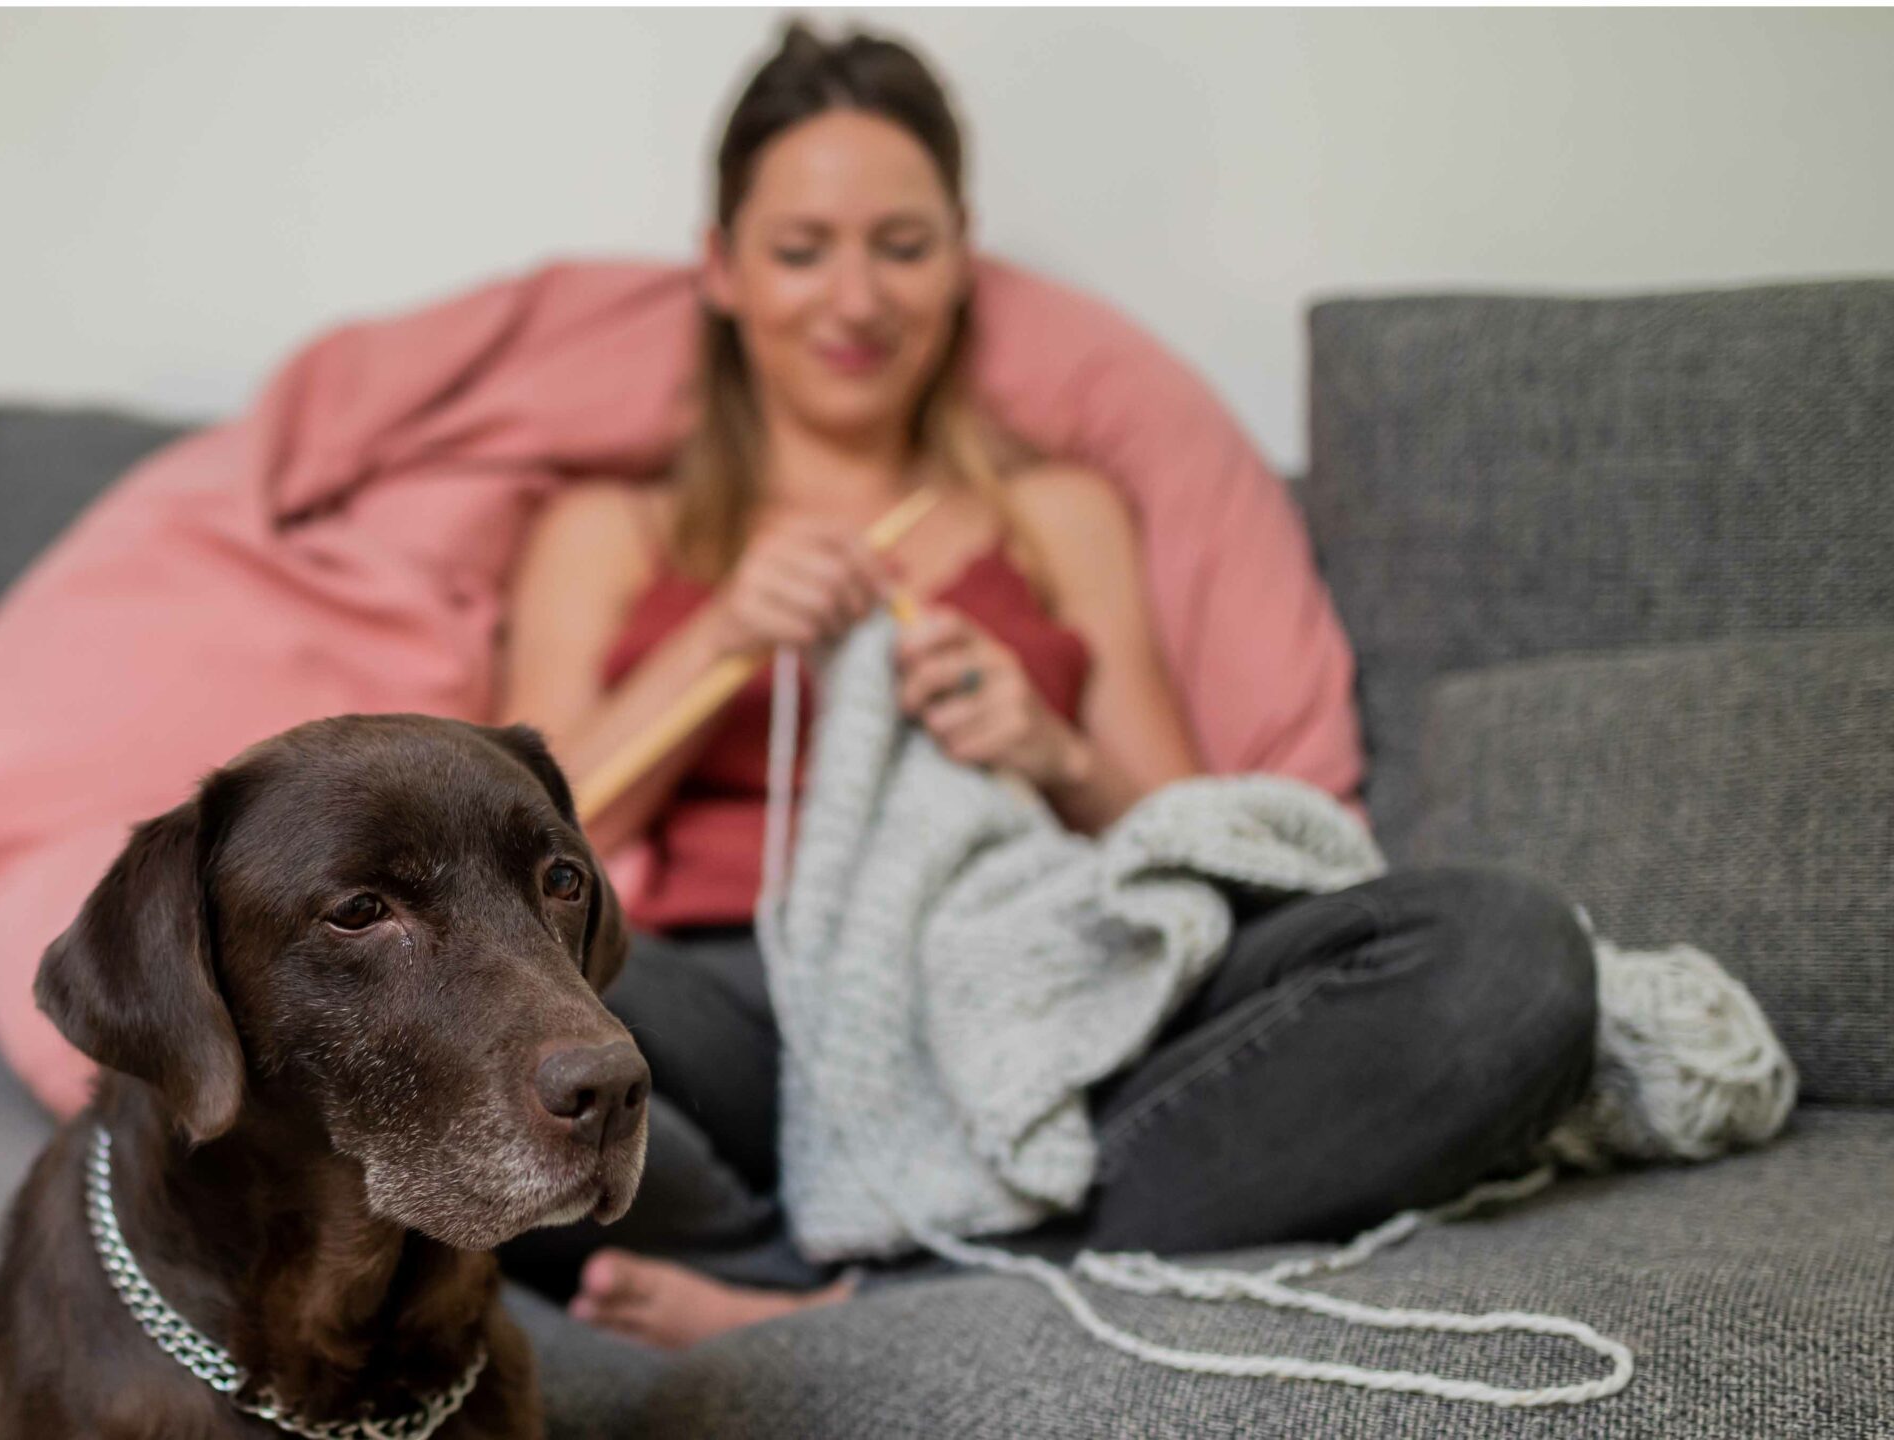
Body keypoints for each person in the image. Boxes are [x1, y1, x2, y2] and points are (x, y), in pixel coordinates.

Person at [495, 21, 1597, 1351]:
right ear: (723, 270)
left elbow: (1200, 840)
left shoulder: (1057, 514)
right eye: (802, 251)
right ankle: (871, 1270)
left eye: (902, 248)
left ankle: (833, 1299)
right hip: (737, 1011)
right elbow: (515, 867)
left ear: (961, 257)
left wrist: (1048, 748)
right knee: (471, 1018)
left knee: (1506, 959)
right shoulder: (612, 531)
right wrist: (719, 641)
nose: (855, 302)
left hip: (1024, 988)